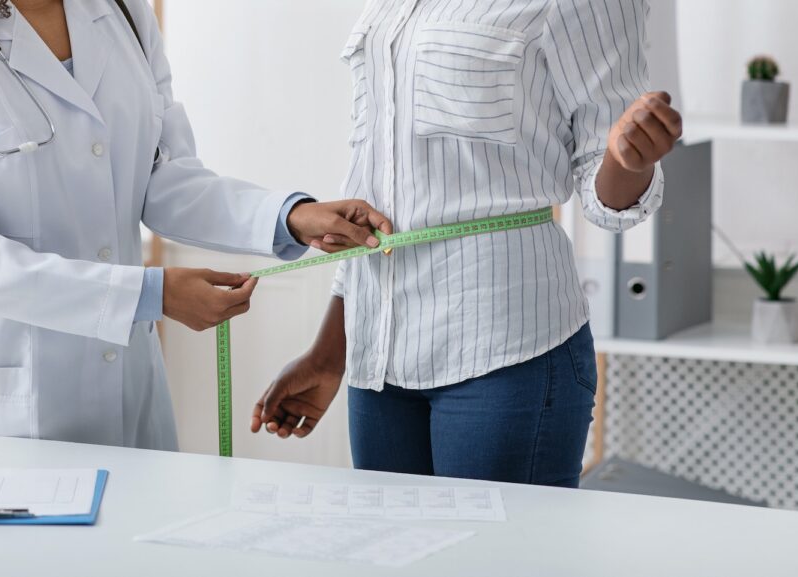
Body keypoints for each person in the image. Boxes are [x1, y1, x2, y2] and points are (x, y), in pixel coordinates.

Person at [0, 0, 391, 450]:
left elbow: (162, 178)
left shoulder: (124, 12)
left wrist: (289, 217)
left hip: (126, 389)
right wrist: (148, 295)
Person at [252, 0, 682, 487]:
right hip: (378, 364)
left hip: (507, 353)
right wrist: (329, 353)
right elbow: (377, 200)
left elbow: (606, 196)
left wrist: (628, 161)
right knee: (390, 539)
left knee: (496, 540)